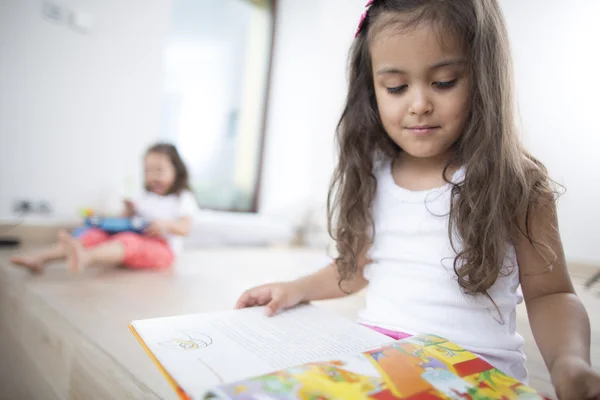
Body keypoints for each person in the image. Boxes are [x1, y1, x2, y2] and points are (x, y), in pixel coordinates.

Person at [235, 1, 600, 398]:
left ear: (483, 75)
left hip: (473, 376)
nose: (419, 103)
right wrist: (296, 288)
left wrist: (570, 364)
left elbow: (551, 293)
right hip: (377, 366)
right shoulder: (374, 172)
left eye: (443, 82)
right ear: (370, 88)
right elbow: (355, 268)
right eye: (395, 87)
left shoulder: (516, 183)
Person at [11, 142, 198, 273]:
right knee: (95, 234)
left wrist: (166, 225)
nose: (153, 176)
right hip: (132, 238)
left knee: (128, 240)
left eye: (159, 170)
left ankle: (86, 257)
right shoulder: (144, 197)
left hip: (163, 250)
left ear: (177, 170)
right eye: (148, 170)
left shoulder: (181, 198)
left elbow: (185, 228)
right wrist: (129, 211)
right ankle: (41, 258)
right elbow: (125, 220)